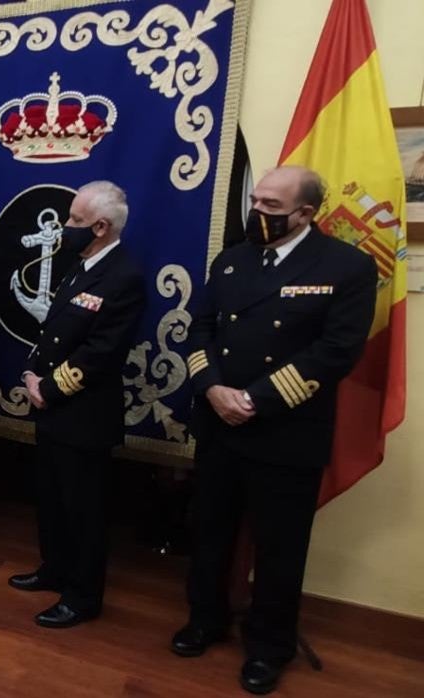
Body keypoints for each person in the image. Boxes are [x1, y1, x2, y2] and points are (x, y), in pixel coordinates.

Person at [174, 166, 377, 695]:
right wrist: (213, 389)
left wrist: (255, 400)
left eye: (270, 205)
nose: (257, 212)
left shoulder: (346, 266)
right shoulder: (233, 258)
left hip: (285, 431)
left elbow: (336, 352)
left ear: (305, 213)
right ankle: (205, 620)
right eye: (256, 201)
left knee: (279, 548)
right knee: (210, 529)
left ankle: (268, 646)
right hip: (219, 422)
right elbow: (201, 327)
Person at [11, 181, 145, 628]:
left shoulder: (123, 276)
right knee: (51, 500)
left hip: (83, 414)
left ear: (101, 227)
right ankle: (55, 570)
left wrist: (48, 388)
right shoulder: (81, 264)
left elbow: (101, 351)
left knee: (83, 510)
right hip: (51, 408)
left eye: (74, 220)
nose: (65, 227)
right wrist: (33, 373)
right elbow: (53, 331)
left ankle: (83, 596)